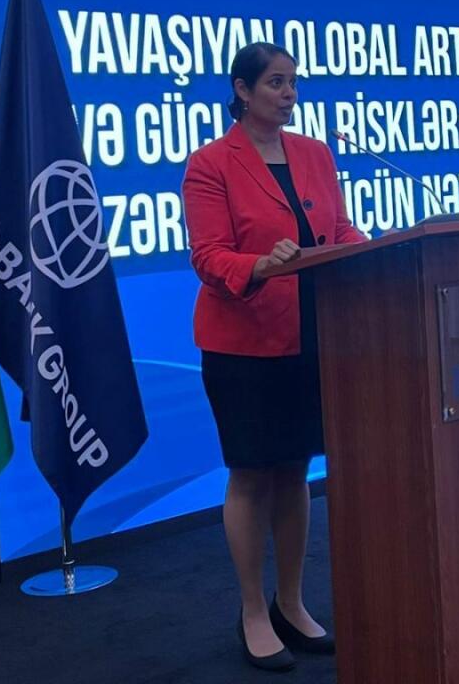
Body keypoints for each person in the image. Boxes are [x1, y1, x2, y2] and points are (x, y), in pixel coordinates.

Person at [181, 42, 367, 672]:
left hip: (312, 335)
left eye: (293, 83)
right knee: (252, 473)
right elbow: (208, 256)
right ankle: (253, 611)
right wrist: (260, 264)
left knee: (294, 470)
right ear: (242, 89)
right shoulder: (210, 163)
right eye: (276, 83)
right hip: (244, 343)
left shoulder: (315, 154)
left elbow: (336, 232)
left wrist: (373, 248)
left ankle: (291, 602)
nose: (290, 94)